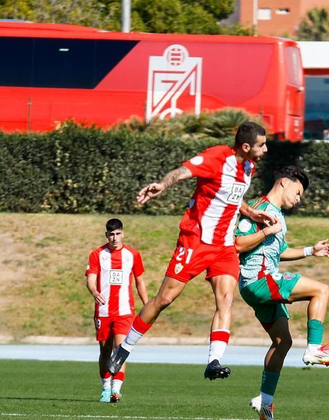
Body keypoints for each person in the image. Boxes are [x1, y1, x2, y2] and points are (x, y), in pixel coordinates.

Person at [107, 121, 276, 381]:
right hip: (195, 240)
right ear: (245, 146)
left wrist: (251, 212)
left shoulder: (248, 167)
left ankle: (214, 361)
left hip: (224, 247)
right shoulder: (217, 157)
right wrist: (162, 185)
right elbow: (182, 172)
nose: (265, 149)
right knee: (164, 299)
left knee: (226, 300)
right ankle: (124, 348)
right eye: (261, 145)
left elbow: (230, 196)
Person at [234, 165, 329, 420]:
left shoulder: (279, 216)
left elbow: (279, 251)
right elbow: (238, 244)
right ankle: (314, 350)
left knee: (283, 342)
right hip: (258, 280)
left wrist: (310, 251)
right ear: (284, 183)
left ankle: (265, 400)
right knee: (321, 290)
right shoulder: (258, 208)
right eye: (297, 192)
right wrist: (264, 232)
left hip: (261, 283)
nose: (298, 199)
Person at [86, 218, 148, 403]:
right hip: (103, 311)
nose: (114, 238)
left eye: (118, 234)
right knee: (105, 351)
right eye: (111, 234)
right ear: (106, 235)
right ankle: (105, 388)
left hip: (124, 311)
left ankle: (115, 390)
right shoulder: (97, 254)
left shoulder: (133, 254)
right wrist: (95, 291)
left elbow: (140, 281)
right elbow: (90, 278)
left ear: (123, 233)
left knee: (120, 349)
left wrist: (148, 305)